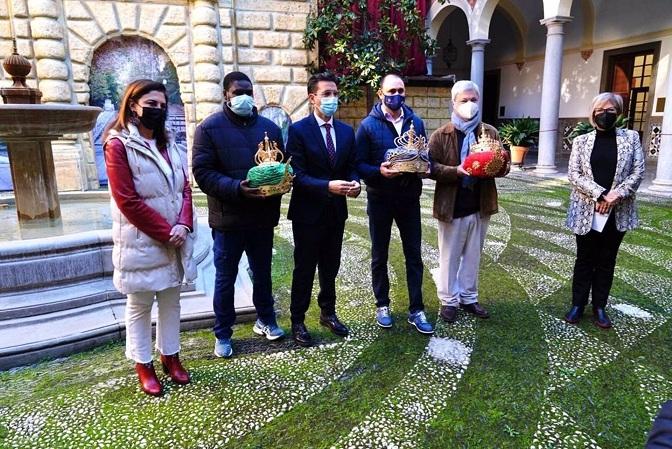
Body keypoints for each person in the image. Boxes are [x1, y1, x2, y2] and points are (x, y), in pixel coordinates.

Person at [104, 79, 196, 396]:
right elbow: (127, 200)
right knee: (140, 304)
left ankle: (170, 356)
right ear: (133, 105)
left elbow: (185, 188)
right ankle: (143, 363)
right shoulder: (118, 145)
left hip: (175, 238)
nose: (157, 110)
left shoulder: (170, 145)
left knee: (171, 301)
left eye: (161, 105)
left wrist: (183, 225)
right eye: (150, 104)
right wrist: (164, 232)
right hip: (143, 241)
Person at [192, 71, 285, 359]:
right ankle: (223, 333)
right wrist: (236, 188)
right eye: (237, 92)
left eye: (247, 91)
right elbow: (202, 173)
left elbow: (279, 166)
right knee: (225, 278)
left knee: (263, 274)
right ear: (226, 95)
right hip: (228, 218)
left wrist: (280, 184)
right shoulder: (208, 129)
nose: (243, 96)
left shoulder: (269, 128)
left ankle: (266, 320)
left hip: (261, 217)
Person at [286, 72, 361, 347]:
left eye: (335, 93)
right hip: (307, 213)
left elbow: (352, 165)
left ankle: (328, 313)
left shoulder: (345, 131)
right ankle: (298, 320)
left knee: (331, 267)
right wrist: (327, 186)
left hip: (335, 213)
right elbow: (297, 175)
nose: (332, 99)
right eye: (326, 93)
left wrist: (356, 184)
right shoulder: (298, 131)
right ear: (313, 98)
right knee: (304, 268)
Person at [355, 73, 434, 335]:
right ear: (380, 94)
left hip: (409, 198)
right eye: (391, 90)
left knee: (414, 255)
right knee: (380, 254)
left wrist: (425, 167)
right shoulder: (367, 126)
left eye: (401, 90)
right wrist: (379, 171)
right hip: (380, 199)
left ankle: (416, 309)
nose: (397, 95)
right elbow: (359, 165)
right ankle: (382, 304)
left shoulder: (416, 122)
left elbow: (423, 155)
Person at [564, 92, 645, 328]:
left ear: (618, 113)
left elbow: (638, 172)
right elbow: (574, 174)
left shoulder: (631, 138)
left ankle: (600, 306)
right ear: (593, 112)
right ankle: (577, 304)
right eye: (600, 110)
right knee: (584, 258)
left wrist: (614, 196)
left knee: (607, 259)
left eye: (610, 110)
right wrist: (600, 194)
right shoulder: (581, 141)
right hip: (587, 210)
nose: (605, 114)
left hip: (617, 210)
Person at [428, 80, 505, 323]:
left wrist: (496, 166)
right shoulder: (441, 135)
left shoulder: (490, 132)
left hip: (480, 204)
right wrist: (457, 171)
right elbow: (429, 167)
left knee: (473, 256)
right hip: (452, 205)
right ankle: (449, 301)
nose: (470, 104)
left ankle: (469, 298)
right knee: (449, 257)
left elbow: (505, 165)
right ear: (454, 103)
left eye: (473, 100)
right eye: (464, 100)